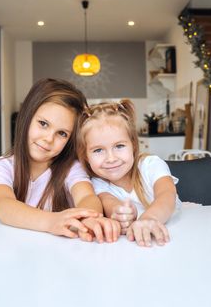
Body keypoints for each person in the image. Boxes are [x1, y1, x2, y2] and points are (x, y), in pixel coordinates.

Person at [0, 78, 120, 243]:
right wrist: (52, 221)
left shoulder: (71, 168)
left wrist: (89, 218)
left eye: (62, 133)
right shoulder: (1, 167)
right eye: (43, 124)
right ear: (27, 116)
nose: (48, 139)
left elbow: (86, 197)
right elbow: (3, 205)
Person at [77, 100, 181, 247]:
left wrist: (149, 218)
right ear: (86, 156)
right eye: (98, 150)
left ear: (133, 145)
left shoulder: (150, 165)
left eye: (119, 146)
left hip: (177, 235)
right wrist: (121, 213)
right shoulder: (97, 183)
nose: (111, 158)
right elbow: (109, 203)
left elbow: (167, 195)